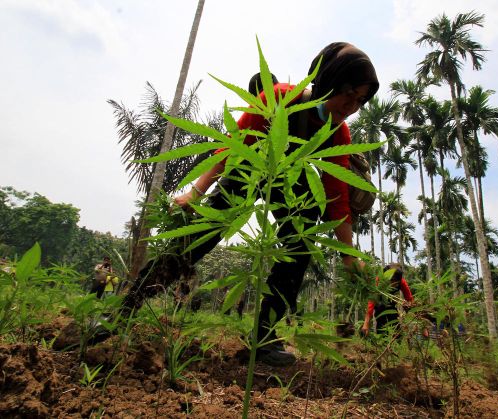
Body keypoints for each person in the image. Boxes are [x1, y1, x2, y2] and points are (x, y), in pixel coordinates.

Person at [104, 42, 379, 367]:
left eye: (360, 100)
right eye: (349, 93)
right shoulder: (278, 98)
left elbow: (337, 201)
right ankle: (123, 311)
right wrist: (197, 192)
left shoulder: (338, 133)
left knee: (303, 236)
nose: (352, 105)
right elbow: (235, 148)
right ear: (328, 81)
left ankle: (262, 338)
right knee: (197, 240)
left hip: (289, 182)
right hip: (250, 170)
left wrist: (349, 258)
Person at [361, 264, 414, 337]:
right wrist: (366, 323)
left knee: (395, 321)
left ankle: (397, 340)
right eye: (390, 281)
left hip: (391, 302)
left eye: (395, 283)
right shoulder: (378, 281)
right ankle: (382, 340)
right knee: (381, 322)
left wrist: (409, 305)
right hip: (379, 302)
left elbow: (409, 298)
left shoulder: (402, 282)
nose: (392, 285)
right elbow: (371, 302)